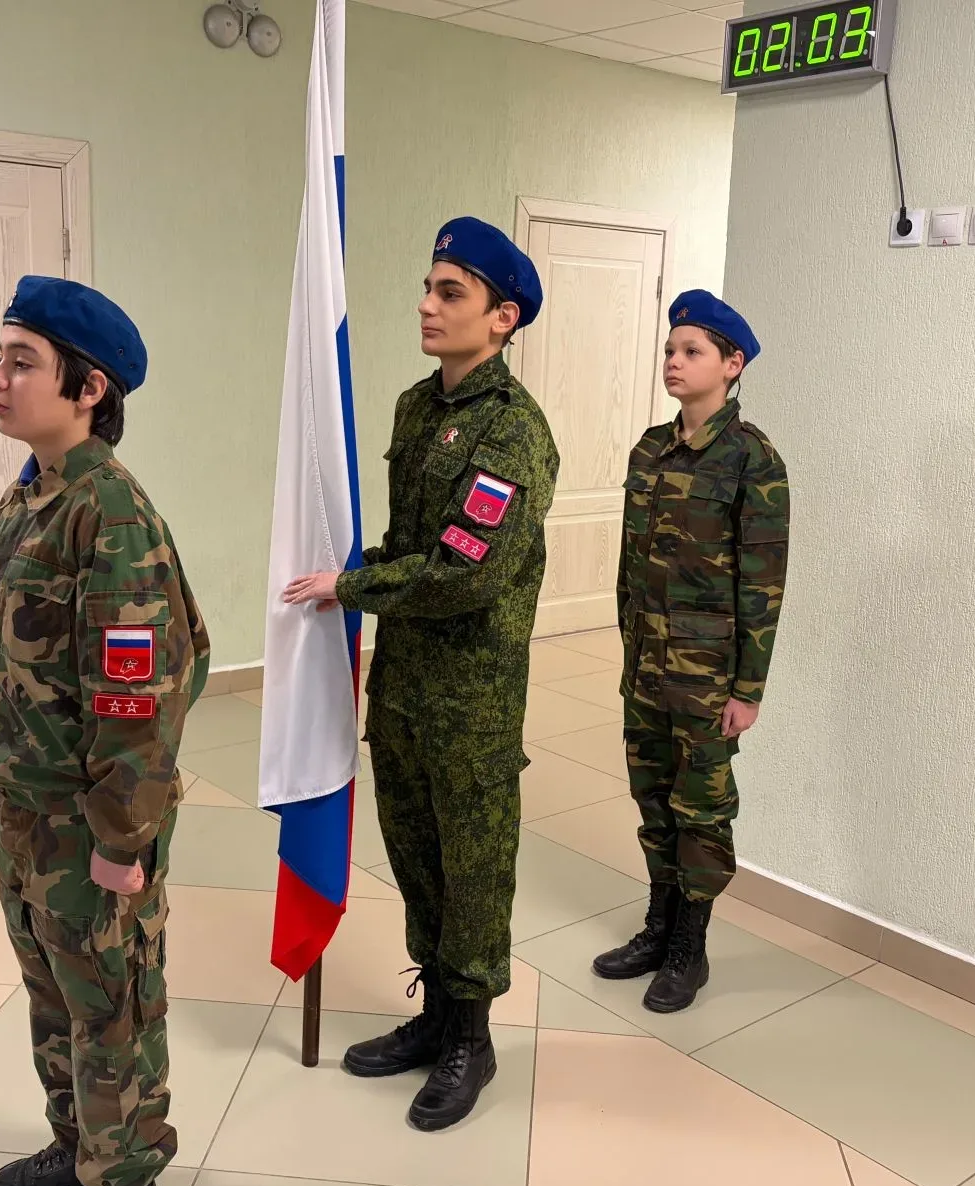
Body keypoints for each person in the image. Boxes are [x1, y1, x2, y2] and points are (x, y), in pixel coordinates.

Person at [284, 217, 559, 1131]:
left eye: (450, 293)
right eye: (428, 287)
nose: (426, 305)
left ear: (502, 317)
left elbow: (465, 571)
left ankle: (470, 1039)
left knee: (472, 867)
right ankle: (436, 1014)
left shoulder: (512, 432)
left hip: (471, 697)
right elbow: (411, 542)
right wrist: (343, 569)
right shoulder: (416, 407)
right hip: (403, 683)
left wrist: (352, 585)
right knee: (414, 852)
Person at [0, 276, 209, 1186]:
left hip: (88, 820)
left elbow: (138, 699)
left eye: (22, 360)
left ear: (88, 387)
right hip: (26, 807)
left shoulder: (109, 514)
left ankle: (124, 1178)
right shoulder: (32, 492)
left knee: (111, 998)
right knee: (53, 988)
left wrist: (123, 839)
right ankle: (78, 1145)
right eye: (1, 356)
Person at [593, 289, 789, 1012]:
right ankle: (658, 924)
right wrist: (629, 651)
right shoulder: (650, 448)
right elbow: (629, 567)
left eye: (692, 351)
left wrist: (747, 690)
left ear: (731, 365)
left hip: (707, 677)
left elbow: (763, 583)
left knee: (700, 809)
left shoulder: (753, 459)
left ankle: (689, 947)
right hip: (646, 666)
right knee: (652, 798)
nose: (674, 361)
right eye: (671, 350)